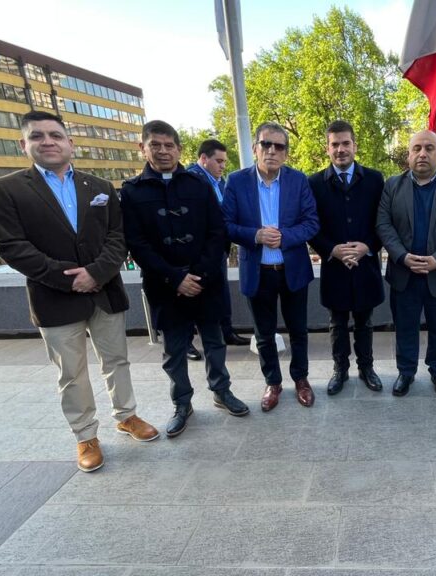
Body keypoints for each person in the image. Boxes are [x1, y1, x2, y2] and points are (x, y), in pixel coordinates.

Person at [0, 110, 158, 473]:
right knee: (71, 373)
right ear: (23, 145)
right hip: (54, 296)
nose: (47, 142)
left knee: (117, 360)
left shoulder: (99, 187)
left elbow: (117, 237)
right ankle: (85, 435)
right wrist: (68, 278)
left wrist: (96, 273)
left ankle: (126, 416)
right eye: (37, 136)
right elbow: (12, 246)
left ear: (70, 142)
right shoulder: (8, 189)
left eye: (55, 135)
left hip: (104, 291)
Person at [120, 120, 250, 439]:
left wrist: (200, 274)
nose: (163, 151)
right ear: (143, 148)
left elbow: (217, 232)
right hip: (165, 286)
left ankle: (221, 391)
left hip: (206, 281)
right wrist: (175, 277)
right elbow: (137, 243)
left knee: (214, 342)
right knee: (174, 350)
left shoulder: (198, 185)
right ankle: (182, 403)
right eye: (155, 145)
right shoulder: (132, 191)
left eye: (169, 145)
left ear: (179, 149)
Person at [222, 122, 320, 412]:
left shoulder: (298, 181)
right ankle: (273, 383)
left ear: (286, 153)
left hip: (292, 270)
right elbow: (225, 225)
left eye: (279, 146)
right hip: (258, 271)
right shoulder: (236, 181)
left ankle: (301, 379)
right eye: (266, 144)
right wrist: (255, 235)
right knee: (264, 334)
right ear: (255, 148)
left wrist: (285, 237)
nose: (272, 151)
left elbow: (312, 223)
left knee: (298, 330)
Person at [376, 130, 436, 398]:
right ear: (408, 155)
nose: (422, 154)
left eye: (429, 148)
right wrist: (402, 256)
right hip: (403, 273)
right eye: (416, 148)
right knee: (405, 327)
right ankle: (405, 372)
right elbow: (383, 225)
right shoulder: (391, 186)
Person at [307, 121, 386, 395]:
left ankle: (367, 368)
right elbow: (311, 226)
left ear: (355, 145)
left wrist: (367, 247)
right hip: (334, 267)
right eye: (335, 144)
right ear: (327, 149)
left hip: (366, 265)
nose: (340, 149)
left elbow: (383, 221)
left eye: (345, 143)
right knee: (337, 323)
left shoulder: (375, 179)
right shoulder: (314, 183)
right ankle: (340, 370)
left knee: (365, 322)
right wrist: (333, 250)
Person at [186, 139, 252, 360]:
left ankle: (227, 332)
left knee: (220, 292)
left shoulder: (219, 181)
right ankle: (186, 342)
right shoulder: (191, 180)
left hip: (218, 249)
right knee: (192, 294)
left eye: (224, 161)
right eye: (219, 161)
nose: (223, 165)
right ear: (204, 159)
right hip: (198, 252)